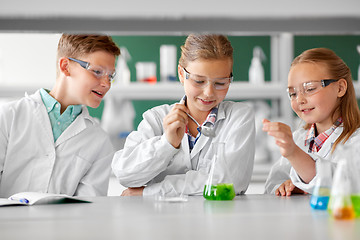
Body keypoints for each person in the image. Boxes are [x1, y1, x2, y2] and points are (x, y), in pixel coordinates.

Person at [112, 34, 255, 197]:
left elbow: (229, 182)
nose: (208, 93)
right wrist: (167, 144)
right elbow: (125, 175)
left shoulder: (239, 117)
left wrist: (150, 192)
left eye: (220, 83)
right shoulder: (156, 118)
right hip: (162, 220)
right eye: (199, 81)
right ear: (181, 73)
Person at [0, 34, 120, 197]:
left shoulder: (100, 142)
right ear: (65, 66)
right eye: (97, 71)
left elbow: (89, 209)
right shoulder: (9, 117)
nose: (106, 84)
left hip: (62, 223)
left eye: (110, 76)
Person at [263, 48, 360, 196]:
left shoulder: (355, 140)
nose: (300, 100)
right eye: (293, 93)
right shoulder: (298, 138)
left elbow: (348, 184)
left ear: (340, 88)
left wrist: (294, 153)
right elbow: (272, 184)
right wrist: (284, 187)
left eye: (309, 88)